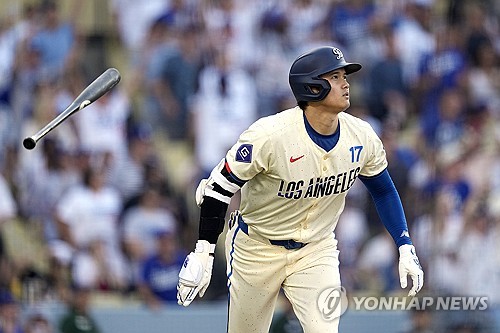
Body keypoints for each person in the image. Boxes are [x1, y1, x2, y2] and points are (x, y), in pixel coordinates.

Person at [177, 46, 424, 332]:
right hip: (258, 247)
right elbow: (218, 187)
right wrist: (204, 251)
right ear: (312, 86)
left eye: (345, 75)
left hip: (316, 250)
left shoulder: (362, 135)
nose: (346, 83)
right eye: (335, 76)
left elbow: (384, 191)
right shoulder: (270, 135)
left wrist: (404, 245)